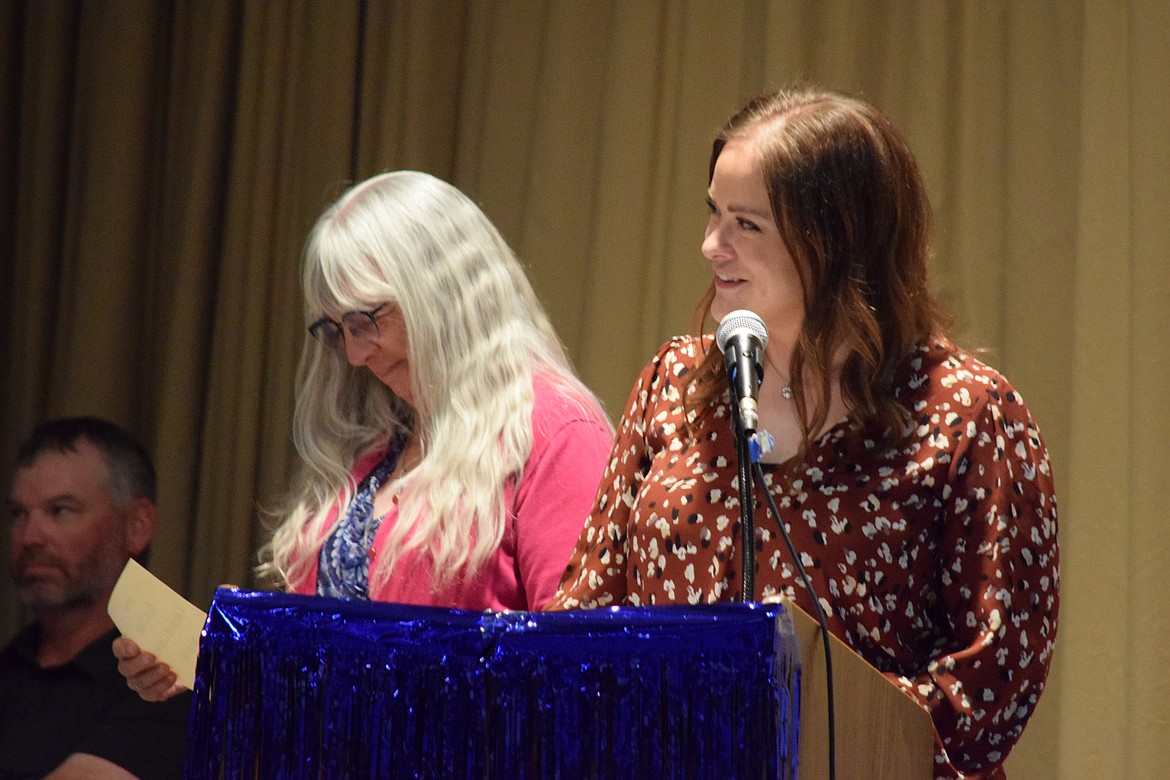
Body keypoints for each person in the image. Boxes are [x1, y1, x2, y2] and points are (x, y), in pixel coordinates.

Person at [548, 87, 1059, 779]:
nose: (711, 247)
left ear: (837, 241)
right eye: (713, 214)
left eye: (746, 225)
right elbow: (588, 605)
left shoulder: (969, 416)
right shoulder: (672, 385)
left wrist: (803, 735)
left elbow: (991, 682)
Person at [114, 170, 614, 701]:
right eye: (336, 331)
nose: (355, 354)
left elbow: (579, 675)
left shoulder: (557, 433)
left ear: (440, 291)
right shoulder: (379, 442)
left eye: (365, 321)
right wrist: (222, 657)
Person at [1, 417, 190, 779]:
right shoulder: (12, 665)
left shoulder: (162, 680)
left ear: (137, 525)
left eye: (60, 511)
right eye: (18, 514)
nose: (30, 537)